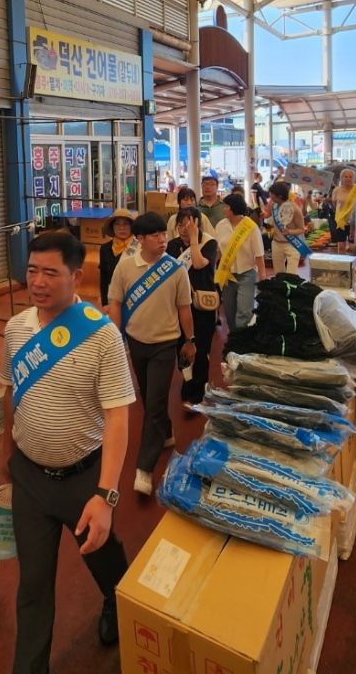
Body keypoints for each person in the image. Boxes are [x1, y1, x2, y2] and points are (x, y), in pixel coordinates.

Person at [0, 231, 135, 672]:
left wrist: (106, 496)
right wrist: (9, 454)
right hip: (30, 480)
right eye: (32, 270)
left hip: (83, 481)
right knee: (33, 587)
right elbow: (10, 394)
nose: (37, 281)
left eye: (50, 273)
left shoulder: (102, 336)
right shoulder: (16, 329)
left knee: (104, 561)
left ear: (76, 276)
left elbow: (117, 418)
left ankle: (117, 603)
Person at [109, 213, 194, 495]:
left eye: (163, 234)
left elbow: (184, 309)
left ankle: (144, 469)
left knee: (155, 404)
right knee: (149, 399)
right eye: (155, 235)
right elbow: (116, 302)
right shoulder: (125, 267)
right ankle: (167, 433)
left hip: (165, 345)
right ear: (140, 239)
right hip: (136, 343)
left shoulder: (176, 269)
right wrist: (114, 340)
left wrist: (189, 341)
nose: (162, 240)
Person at [167, 206, 219, 406]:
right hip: (178, 306)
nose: (183, 228)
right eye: (180, 224)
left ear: (197, 225)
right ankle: (187, 382)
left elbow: (198, 263)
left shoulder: (209, 243)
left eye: (188, 224)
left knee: (201, 347)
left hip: (202, 307)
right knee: (181, 346)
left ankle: (198, 388)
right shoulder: (172, 245)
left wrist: (195, 240)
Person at [215, 193, 267, 331]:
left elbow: (259, 254)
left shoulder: (250, 227)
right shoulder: (220, 226)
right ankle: (234, 339)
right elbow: (219, 251)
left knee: (244, 312)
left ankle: (241, 345)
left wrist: (262, 275)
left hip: (247, 273)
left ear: (232, 209)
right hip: (227, 275)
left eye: (225, 206)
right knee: (229, 312)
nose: (223, 209)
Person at [267, 181, 308, 275]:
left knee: (291, 276)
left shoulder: (295, 208)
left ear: (279, 196)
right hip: (277, 243)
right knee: (279, 275)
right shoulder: (274, 206)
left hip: (292, 244)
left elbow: (301, 229)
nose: (270, 196)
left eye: (272, 194)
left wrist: (289, 231)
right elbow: (269, 220)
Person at [98, 208, 137, 307]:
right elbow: (104, 278)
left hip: (134, 298)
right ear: (112, 227)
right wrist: (105, 303)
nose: (121, 228)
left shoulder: (139, 247)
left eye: (125, 224)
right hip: (113, 298)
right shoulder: (105, 248)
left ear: (131, 227)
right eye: (117, 224)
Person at [331, 168, 356, 254]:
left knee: (353, 247)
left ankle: (354, 265)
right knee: (341, 245)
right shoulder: (336, 190)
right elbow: (334, 204)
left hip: (355, 222)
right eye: (345, 177)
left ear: (354, 179)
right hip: (341, 221)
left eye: (350, 177)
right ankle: (342, 264)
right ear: (341, 178)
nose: (348, 178)